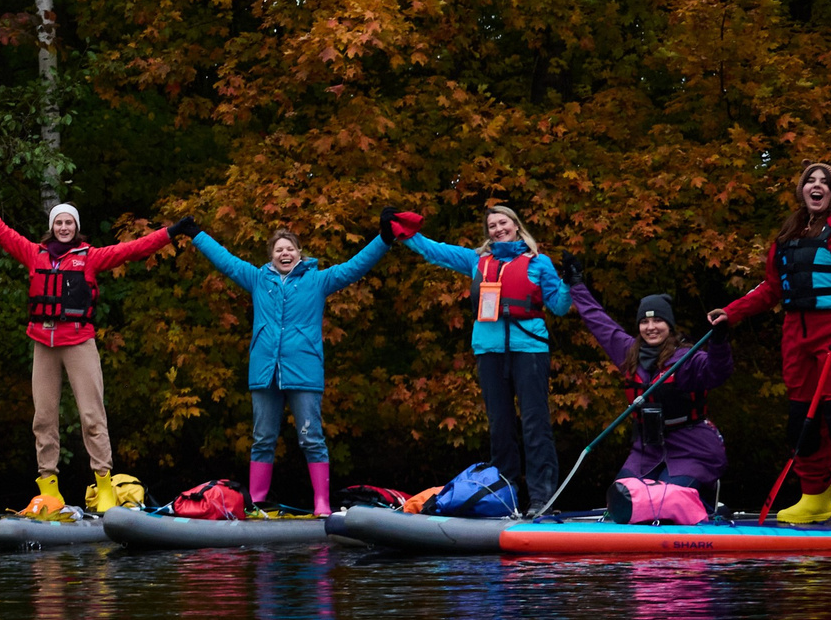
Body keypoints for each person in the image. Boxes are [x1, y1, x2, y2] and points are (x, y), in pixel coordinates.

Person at [0, 180, 182, 517]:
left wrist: (170, 233)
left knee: (91, 415)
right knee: (43, 418)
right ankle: (49, 490)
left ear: (76, 227)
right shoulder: (32, 253)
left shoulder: (91, 258)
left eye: (69, 222)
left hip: (78, 341)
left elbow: (134, 249)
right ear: (51, 227)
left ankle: (105, 487)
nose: (64, 227)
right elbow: (0, 231)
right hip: (43, 343)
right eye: (59, 222)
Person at [710, 162, 831, 526]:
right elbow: (770, 289)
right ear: (801, 191)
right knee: (801, 424)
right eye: (809, 181)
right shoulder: (789, 233)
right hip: (797, 335)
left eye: (824, 182)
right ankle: (815, 496)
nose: (816, 186)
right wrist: (730, 313)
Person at [187, 214, 400, 515]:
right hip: (265, 372)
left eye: (290, 249)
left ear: (300, 253)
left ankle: (322, 503)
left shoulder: (318, 280)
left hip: (305, 370)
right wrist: (196, 234)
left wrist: (385, 239)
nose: (285, 254)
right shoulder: (258, 279)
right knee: (262, 439)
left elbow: (356, 266)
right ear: (271, 256)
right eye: (279, 250)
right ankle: (257, 504)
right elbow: (226, 260)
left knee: (311, 437)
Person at [401, 203, 572, 512]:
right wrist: (400, 232)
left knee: (535, 424)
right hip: (489, 352)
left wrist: (571, 283)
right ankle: (504, 500)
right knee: (500, 427)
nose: (497, 229)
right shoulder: (477, 261)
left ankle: (542, 500)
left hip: (529, 349)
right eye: (492, 226)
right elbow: (435, 251)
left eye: (502, 222)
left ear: (516, 225)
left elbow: (559, 306)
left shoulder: (539, 263)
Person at [568, 273, 733, 507]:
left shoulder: (688, 359)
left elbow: (719, 371)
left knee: (664, 503)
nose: (651, 327)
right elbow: (598, 320)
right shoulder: (628, 353)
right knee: (622, 501)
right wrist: (576, 285)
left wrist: (719, 340)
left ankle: (708, 506)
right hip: (648, 449)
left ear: (669, 325)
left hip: (692, 447)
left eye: (658, 321)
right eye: (645, 322)